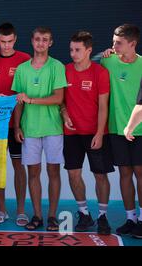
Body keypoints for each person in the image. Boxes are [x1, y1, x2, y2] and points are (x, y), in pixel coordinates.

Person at [11, 27, 67, 231]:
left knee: (53, 171)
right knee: (33, 172)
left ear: (51, 43)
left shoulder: (57, 66)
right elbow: (19, 102)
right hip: (29, 129)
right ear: (32, 42)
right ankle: (37, 215)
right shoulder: (22, 69)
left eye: (45, 40)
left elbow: (59, 98)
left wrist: (31, 100)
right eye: (37, 40)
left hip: (52, 127)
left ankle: (52, 216)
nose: (41, 43)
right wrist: (17, 126)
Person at [62, 31, 114, 235]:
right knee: (73, 174)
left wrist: (100, 133)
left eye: (78, 50)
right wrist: (64, 113)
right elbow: (61, 101)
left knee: (100, 175)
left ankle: (102, 216)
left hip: (95, 132)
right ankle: (84, 213)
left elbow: (103, 106)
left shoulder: (100, 72)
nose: (73, 54)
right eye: (71, 50)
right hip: (71, 134)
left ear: (89, 51)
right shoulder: (64, 71)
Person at [101, 24, 142, 238]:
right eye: (113, 41)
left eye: (119, 42)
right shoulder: (107, 61)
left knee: (140, 173)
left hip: (141, 130)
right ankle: (130, 218)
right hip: (117, 129)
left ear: (132, 43)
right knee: (125, 174)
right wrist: (108, 54)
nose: (113, 45)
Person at [0, 23, 31, 226]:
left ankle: (21, 211)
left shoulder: (25, 59)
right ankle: (1, 209)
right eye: (3, 42)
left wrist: (18, 125)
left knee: (18, 166)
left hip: (17, 125)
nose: (6, 46)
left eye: (10, 42)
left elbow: (29, 92)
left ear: (15, 39)